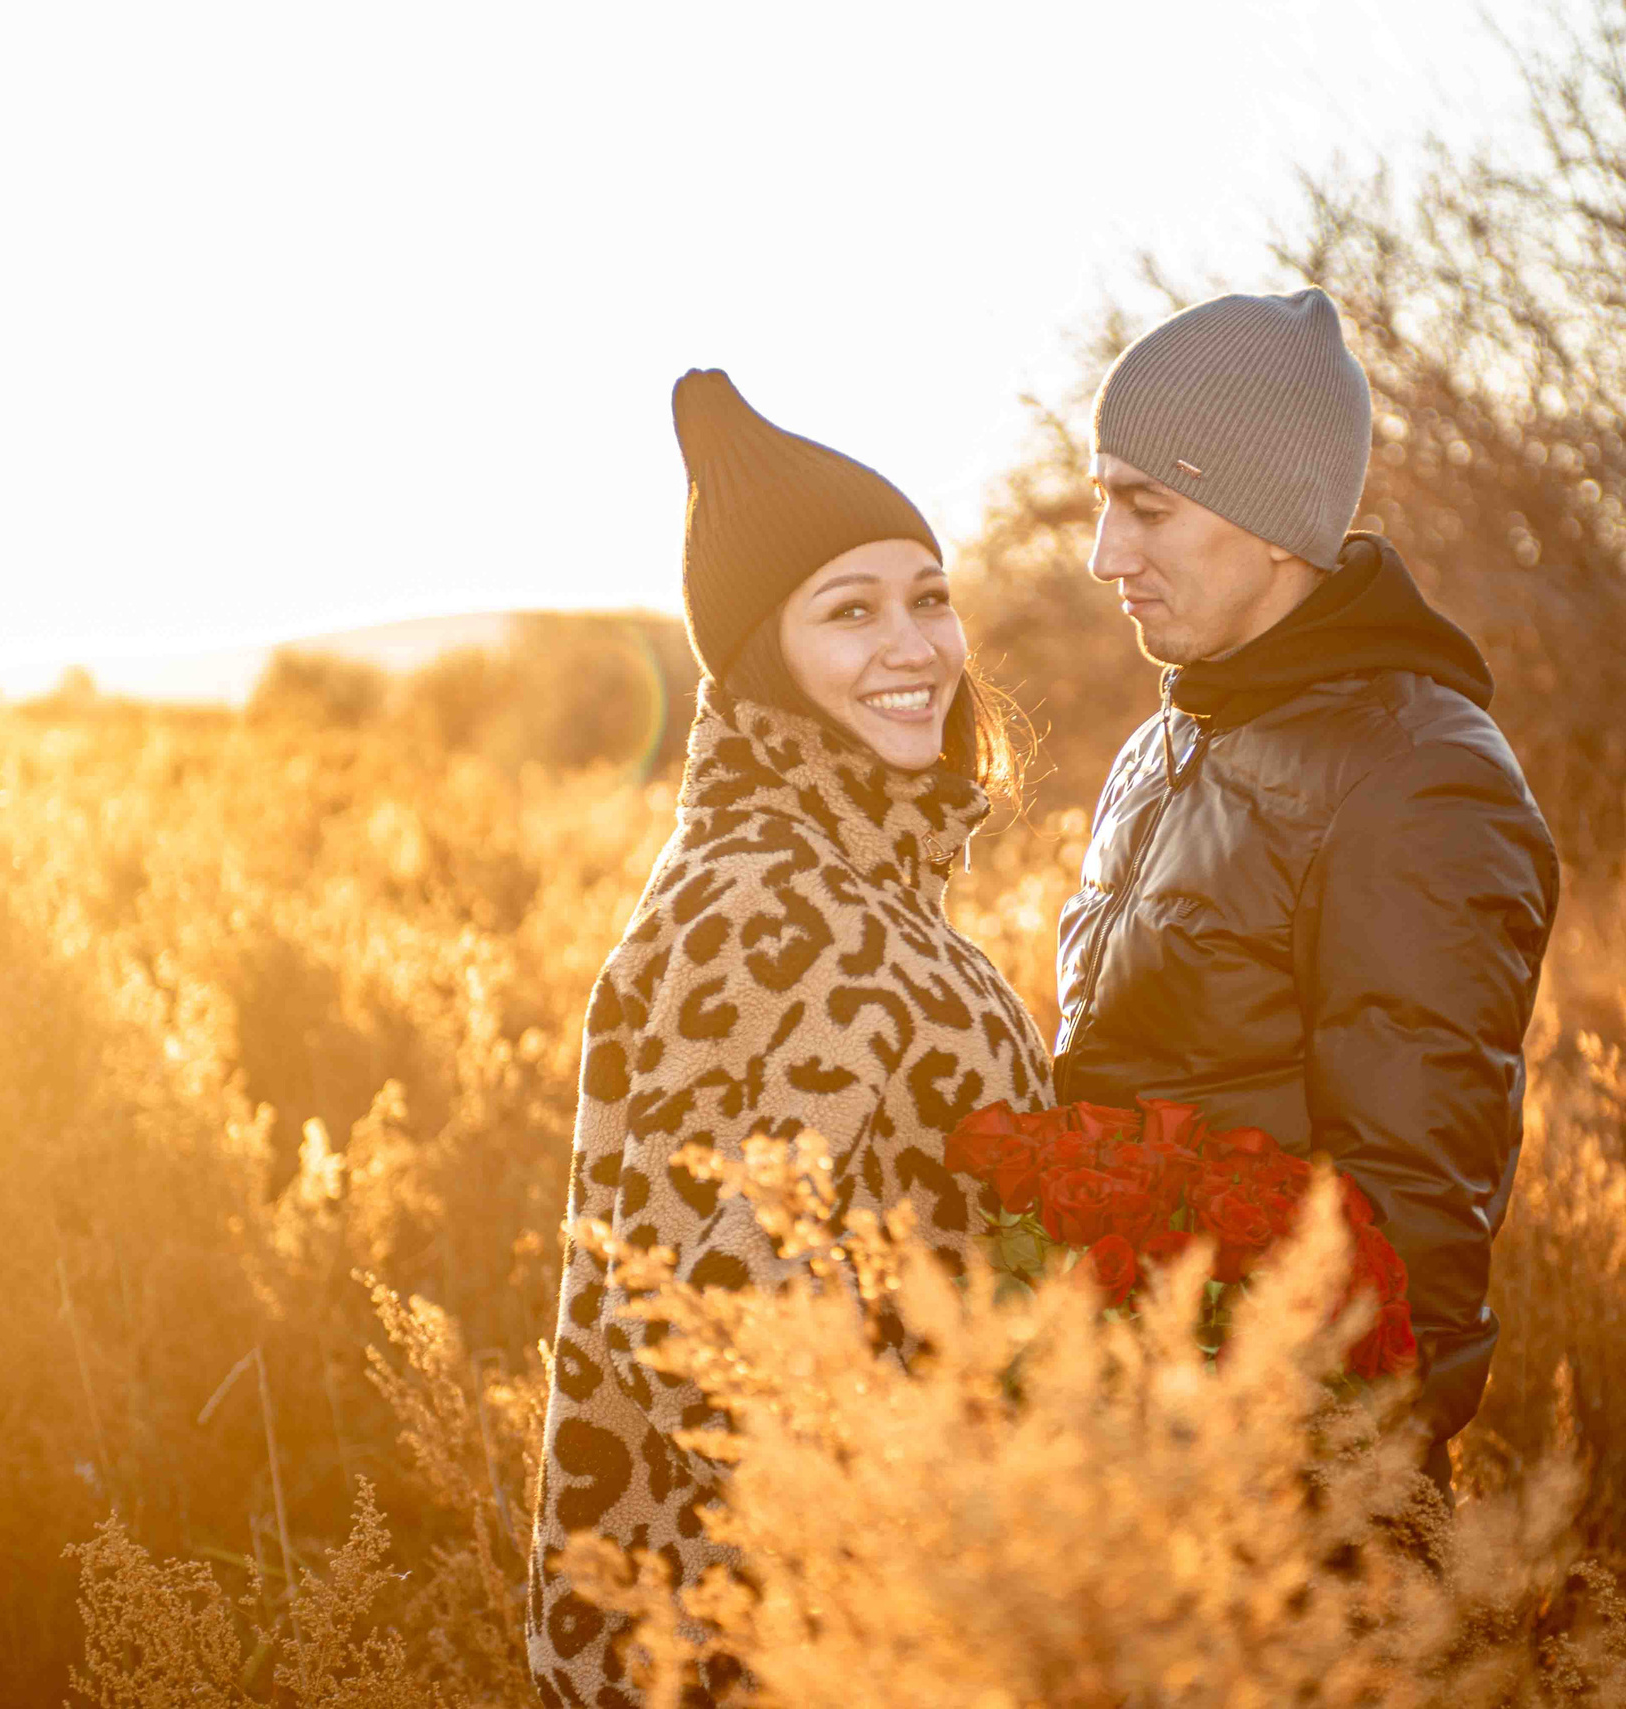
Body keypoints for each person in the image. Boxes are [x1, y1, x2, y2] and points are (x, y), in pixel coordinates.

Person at [526, 370, 1053, 1708]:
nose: (914, 647)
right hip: (787, 1639)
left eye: (929, 597)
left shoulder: (849, 872)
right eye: (850, 611)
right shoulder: (762, 904)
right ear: (764, 650)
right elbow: (729, 1347)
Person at [1052, 289, 1559, 1493]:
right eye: (1100, 499)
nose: (1103, 554)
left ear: (1274, 519)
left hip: (1282, 1486)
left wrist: (1298, 1489)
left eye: (1147, 507)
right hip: (1125, 1440)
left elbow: (1412, 1240)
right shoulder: (1166, 738)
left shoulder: (1417, 774)